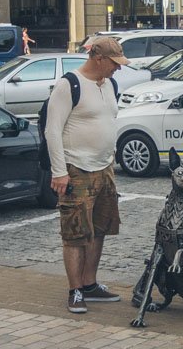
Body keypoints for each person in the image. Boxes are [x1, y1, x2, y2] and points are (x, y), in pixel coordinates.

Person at [45, 35, 125, 314]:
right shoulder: (70, 84)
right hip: (76, 168)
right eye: (114, 63)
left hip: (104, 167)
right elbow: (52, 130)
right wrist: (59, 172)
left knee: (100, 228)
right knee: (76, 232)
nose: (119, 68)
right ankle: (75, 289)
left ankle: (90, 284)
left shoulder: (110, 83)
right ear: (98, 58)